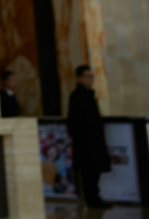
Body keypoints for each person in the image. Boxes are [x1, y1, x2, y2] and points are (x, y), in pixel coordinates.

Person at [67, 65, 112, 209]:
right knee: (90, 172)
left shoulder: (88, 94)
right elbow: (74, 121)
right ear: (79, 78)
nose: (91, 79)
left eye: (92, 76)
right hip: (86, 143)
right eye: (87, 76)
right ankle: (92, 199)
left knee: (94, 171)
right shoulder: (77, 96)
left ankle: (94, 197)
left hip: (92, 141)